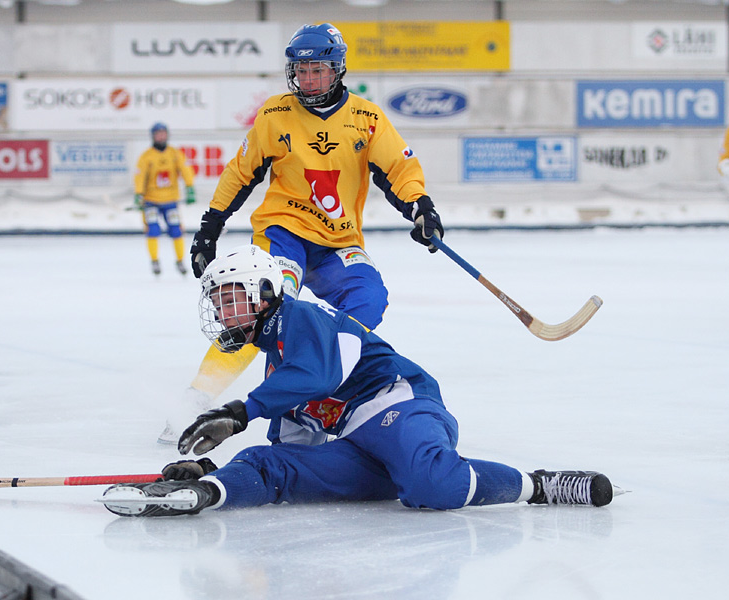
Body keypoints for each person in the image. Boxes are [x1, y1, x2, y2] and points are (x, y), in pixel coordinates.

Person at [102, 246, 619, 517]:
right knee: (269, 464)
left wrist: (239, 412)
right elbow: (291, 451)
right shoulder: (274, 368)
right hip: (357, 444)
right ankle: (206, 494)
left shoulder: (301, 318)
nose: (223, 310)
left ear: (264, 293)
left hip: (400, 406)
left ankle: (540, 486)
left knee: (429, 486)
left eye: (232, 297)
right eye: (219, 302)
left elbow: (321, 374)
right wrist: (212, 469)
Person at [159, 23, 444, 442]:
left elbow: (399, 170)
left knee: (369, 298)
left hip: (338, 242)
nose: (309, 80)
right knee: (258, 306)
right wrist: (209, 227)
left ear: (338, 69)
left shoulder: (367, 118)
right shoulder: (275, 114)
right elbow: (241, 173)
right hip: (283, 231)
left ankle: (313, 387)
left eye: (319, 70)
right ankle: (198, 400)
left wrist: (420, 207)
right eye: (302, 70)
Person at [134, 122, 196, 276]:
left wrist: (190, 187)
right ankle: (155, 260)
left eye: (163, 134)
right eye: (158, 134)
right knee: (152, 230)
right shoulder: (147, 156)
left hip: (170, 200)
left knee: (176, 231)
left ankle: (180, 260)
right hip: (151, 200)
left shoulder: (174, 154)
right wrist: (139, 193)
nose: (161, 137)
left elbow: (186, 169)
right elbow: (140, 175)